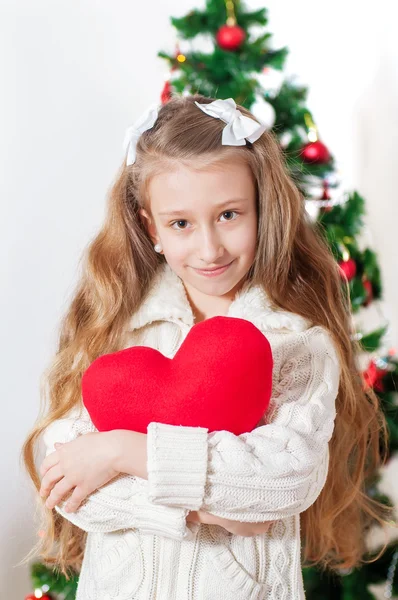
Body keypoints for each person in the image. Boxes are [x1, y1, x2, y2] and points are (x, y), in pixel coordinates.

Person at [21, 94, 392, 599]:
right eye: (181, 224)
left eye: (229, 215)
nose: (209, 248)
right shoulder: (118, 327)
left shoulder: (296, 341)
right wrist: (207, 508)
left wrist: (118, 451)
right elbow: (66, 480)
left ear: (263, 209)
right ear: (151, 227)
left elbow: (284, 479)